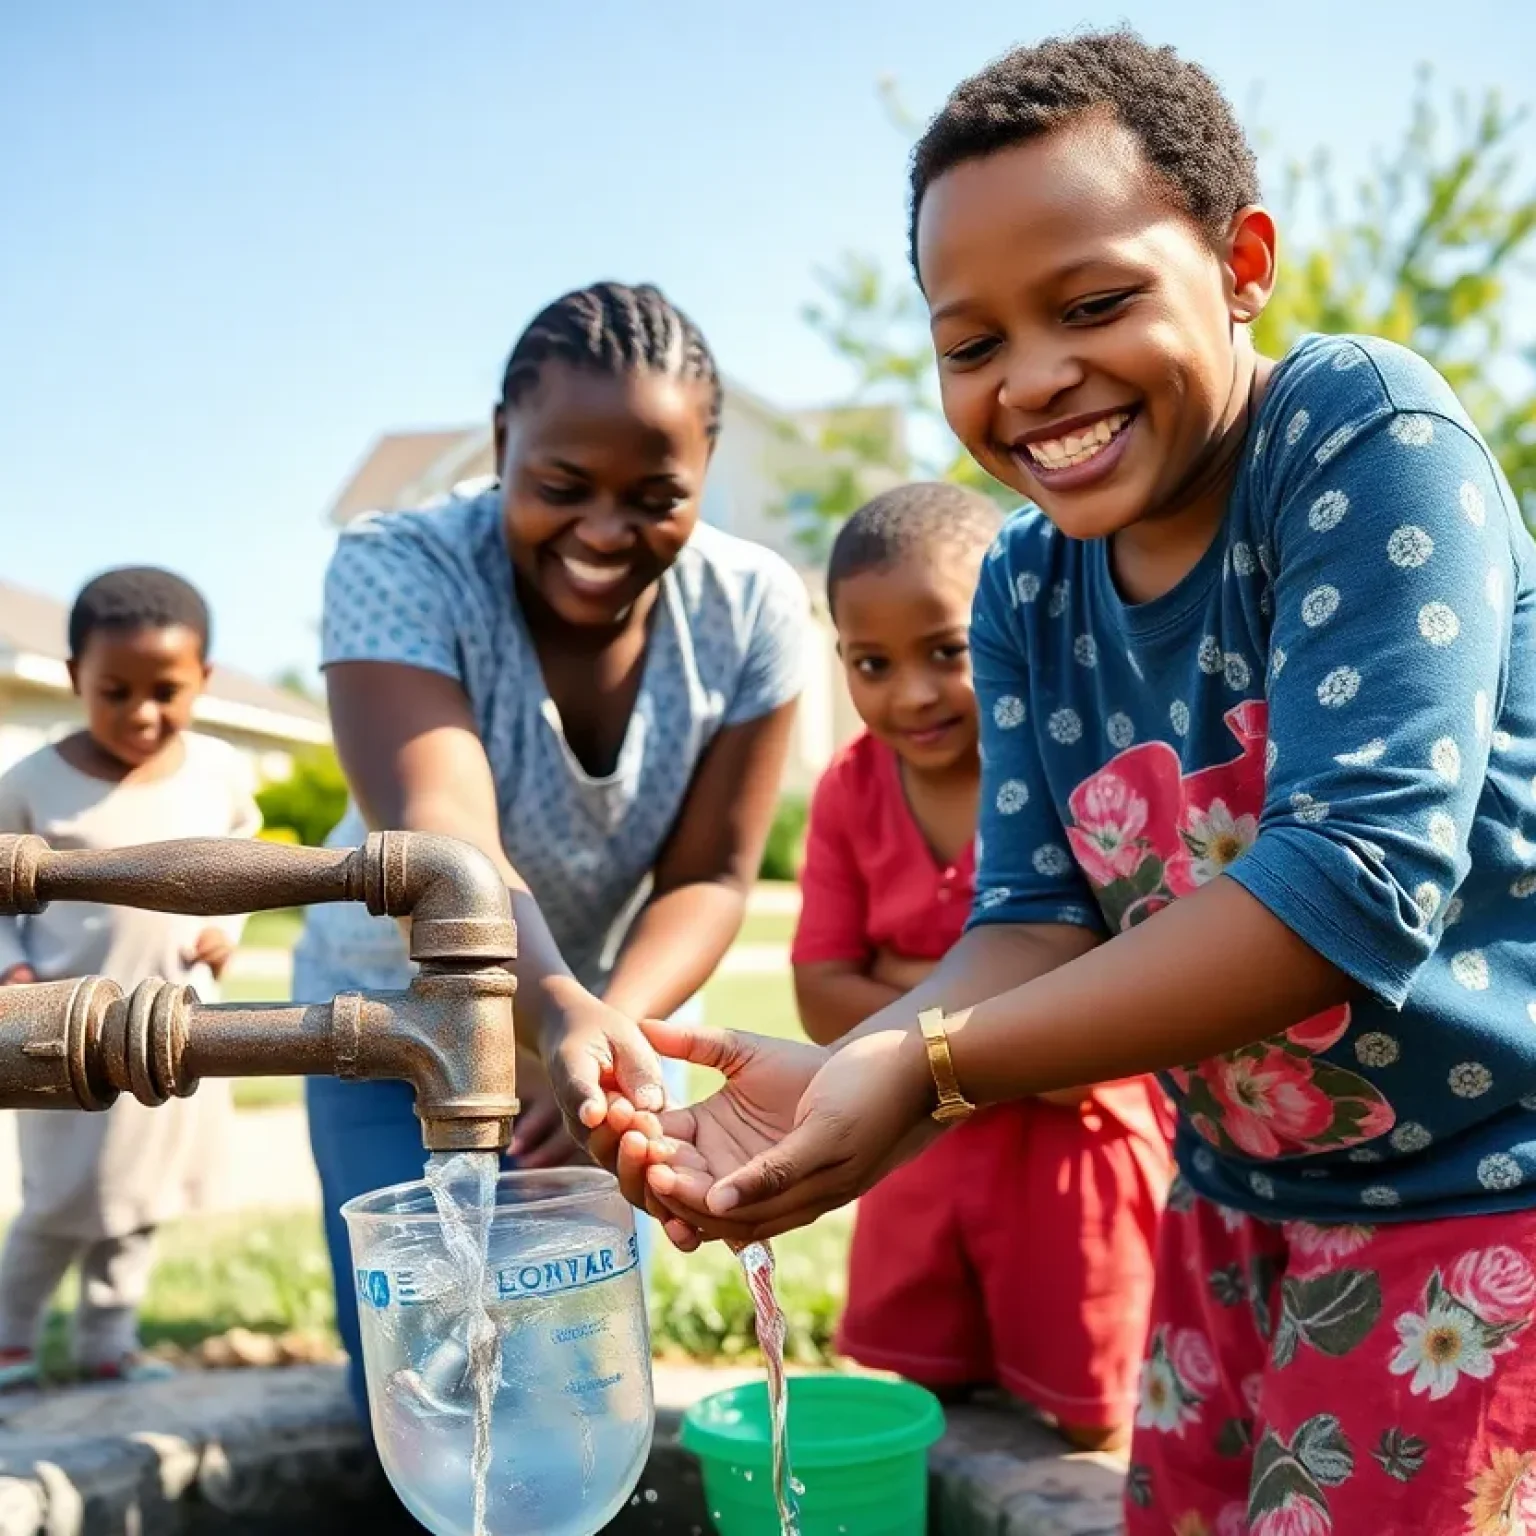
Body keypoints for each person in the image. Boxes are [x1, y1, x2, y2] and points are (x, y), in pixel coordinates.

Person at [616, 32, 1536, 1535]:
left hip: (1481, 1202)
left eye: (1095, 304)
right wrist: (866, 1084)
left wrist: (929, 1066)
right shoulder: (1029, 588)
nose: (1035, 379)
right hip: (1233, 1215)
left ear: (1242, 262)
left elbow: (1354, 877)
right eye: (970, 343)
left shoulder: (1359, 441)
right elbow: (1036, 918)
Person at [294, 280, 807, 1416]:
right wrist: (553, 1010)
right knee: (423, 1374)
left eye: (656, 496)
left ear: (707, 470)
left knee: (579, 1372)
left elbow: (712, 874)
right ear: (498, 444)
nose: (605, 532)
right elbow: (445, 836)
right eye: (562, 487)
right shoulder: (400, 565)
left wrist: (599, 1032)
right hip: (393, 1021)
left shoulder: (752, 608)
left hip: (594, 1016)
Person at [793, 480, 1171, 1447]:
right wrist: (1021, 1031)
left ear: (1002, 633)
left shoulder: (1066, 761)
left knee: (1092, 1427)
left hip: (1070, 1159)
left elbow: (1110, 1031)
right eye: (870, 663)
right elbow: (818, 992)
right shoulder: (849, 791)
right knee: (924, 1412)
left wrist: (899, 981)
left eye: (946, 652)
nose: (910, 693)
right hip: (916, 1150)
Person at [0, 567, 259, 1385]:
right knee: (60, 1201)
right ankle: (8, 1338)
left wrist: (229, 927)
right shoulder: (31, 787)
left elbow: (249, 860)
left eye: (166, 691)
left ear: (204, 680)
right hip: (60, 1035)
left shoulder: (218, 773)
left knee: (141, 1201)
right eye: (116, 691)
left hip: (176, 1032)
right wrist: (12, 965)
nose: (143, 713)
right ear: (77, 678)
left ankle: (107, 1346)